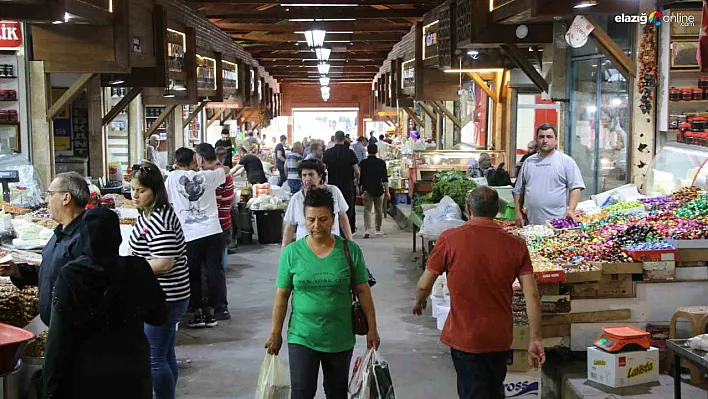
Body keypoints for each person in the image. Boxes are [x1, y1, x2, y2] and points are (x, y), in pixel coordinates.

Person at [413, 187, 545, 399]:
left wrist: (420, 302)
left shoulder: (450, 239)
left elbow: (423, 285)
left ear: (468, 209)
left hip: (464, 337)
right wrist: (535, 338)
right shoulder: (516, 245)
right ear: (498, 210)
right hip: (500, 337)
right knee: (494, 390)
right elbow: (532, 296)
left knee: (472, 391)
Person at [265, 188, 380, 399]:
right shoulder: (291, 253)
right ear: (304, 219)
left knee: (336, 393)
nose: (316, 226)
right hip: (302, 336)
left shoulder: (350, 251)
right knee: (301, 392)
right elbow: (282, 296)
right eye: (311, 220)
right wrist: (275, 333)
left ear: (333, 219)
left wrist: (372, 328)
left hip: (340, 337)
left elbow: (363, 292)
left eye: (323, 219)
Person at [43, 207, 167, 399]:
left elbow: (58, 337)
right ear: (117, 237)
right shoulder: (137, 268)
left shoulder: (72, 275)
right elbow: (159, 316)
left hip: (87, 376)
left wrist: (50, 388)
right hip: (132, 374)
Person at [128, 162, 191, 399]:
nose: (134, 195)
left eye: (140, 191)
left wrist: (131, 271)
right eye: (132, 189)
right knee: (165, 354)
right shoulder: (149, 214)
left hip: (165, 297)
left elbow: (165, 262)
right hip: (163, 296)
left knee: (154, 359)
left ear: (155, 191)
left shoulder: (160, 220)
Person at [0, 172, 89, 325]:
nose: (46, 200)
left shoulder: (85, 238)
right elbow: (51, 272)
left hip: (73, 331)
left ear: (66, 198)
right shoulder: (60, 233)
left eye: (50, 194)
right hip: (57, 326)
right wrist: (17, 271)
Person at [166, 147, 227, 328]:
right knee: (214, 272)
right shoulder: (208, 176)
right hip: (213, 231)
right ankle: (211, 312)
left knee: (193, 274)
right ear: (195, 160)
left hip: (189, 235)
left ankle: (197, 313)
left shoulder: (171, 178)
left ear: (176, 163)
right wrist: (204, 168)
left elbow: (167, 199)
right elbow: (225, 170)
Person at [513, 123, 585, 227]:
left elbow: (575, 187)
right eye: (541, 137)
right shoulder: (529, 162)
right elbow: (519, 190)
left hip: (557, 224)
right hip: (531, 223)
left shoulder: (566, 161)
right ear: (537, 140)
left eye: (549, 137)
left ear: (556, 140)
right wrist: (518, 212)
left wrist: (571, 210)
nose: (545, 140)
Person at [196, 143, 235, 320]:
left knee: (210, 269)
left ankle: (216, 307)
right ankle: (217, 306)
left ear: (201, 158)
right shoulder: (222, 171)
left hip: (215, 227)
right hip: (224, 223)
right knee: (215, 267)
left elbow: (216, 204)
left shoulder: (213, 176)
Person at [282, 159, 353, 248]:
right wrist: (284, 250)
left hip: (331, 246)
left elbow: (343, 218)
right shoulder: (296, 198)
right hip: (305, 249)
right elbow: (290, 226)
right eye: (304, 175)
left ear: (320, 176)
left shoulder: (333, 191)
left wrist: (350, 242)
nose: (307, 179)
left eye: (311, 174)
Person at [323, 130, 360, 234]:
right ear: (344, 139)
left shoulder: (328, 153)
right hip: (347, 185)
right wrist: (357, 180)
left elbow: (322, 170)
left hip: (332, 185)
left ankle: (334, 229)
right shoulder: (350, 152)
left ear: (334, 139)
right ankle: (348, 230)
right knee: (348, 208)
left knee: (333, 207)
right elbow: (357, 171)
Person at [359, 144, 390, 238]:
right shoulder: (381, 163)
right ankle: (378, 229)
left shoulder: (363, 163)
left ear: (367, 151)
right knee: (379, 210)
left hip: (367, 189)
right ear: (376, 151)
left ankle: (367, 229)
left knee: (367, 210)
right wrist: (387, 191)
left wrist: (360, 187)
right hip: (379, 189)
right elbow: (385, 179)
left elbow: (360, 177)